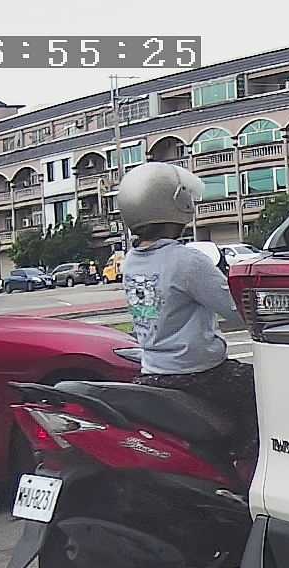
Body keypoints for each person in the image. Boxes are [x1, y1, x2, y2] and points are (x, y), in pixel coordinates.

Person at [114, 161, 259, 457]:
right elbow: (237, 309)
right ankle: (247, 464)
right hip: (199, 373)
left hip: (152, 372)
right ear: (174, 204)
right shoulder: (186, 261)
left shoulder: (131, 261)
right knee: (265, 390)